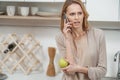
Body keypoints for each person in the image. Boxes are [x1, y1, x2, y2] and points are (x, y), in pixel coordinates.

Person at [55, 0, 107, 80]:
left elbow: (102, 71)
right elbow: (70, 71)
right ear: (65, 16)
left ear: (84, 15)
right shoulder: (61, 37)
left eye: (79, 13)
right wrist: (67, 39)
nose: (77, 17)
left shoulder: (98, 35)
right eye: (72, 14)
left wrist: (79, 68)